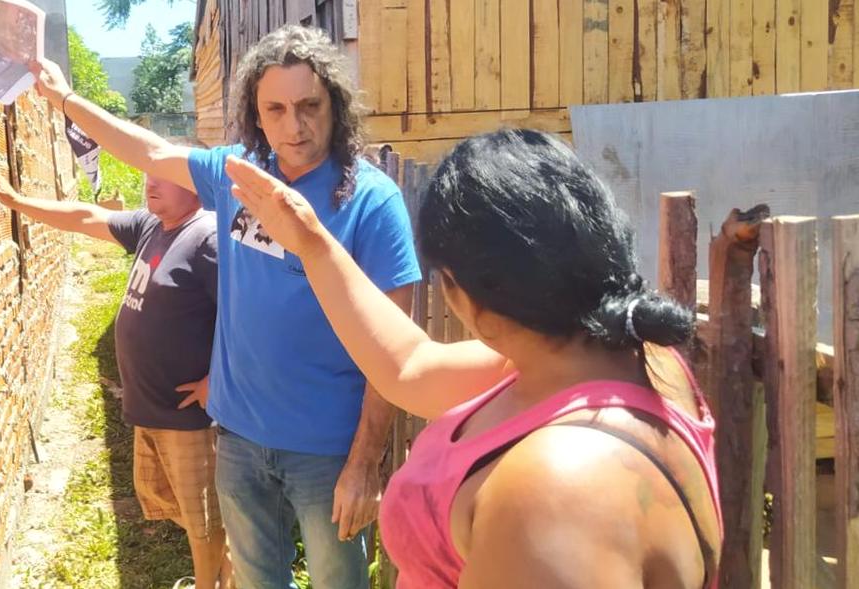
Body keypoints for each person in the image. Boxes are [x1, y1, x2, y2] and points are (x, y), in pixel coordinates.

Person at [223, 129, 723, 588]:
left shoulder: (552, 495)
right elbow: (409, 368)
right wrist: (311, 244)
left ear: (462, 295)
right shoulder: (619, 356)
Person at [26, 24, 421, 588]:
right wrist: (65, 99)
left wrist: (364, 462)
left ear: (334, 105)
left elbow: (395, 351)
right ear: (256, 115)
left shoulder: (371, 201)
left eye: (310, 106)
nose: (295, 125)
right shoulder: (239, 176)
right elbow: (153, 150)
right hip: (238, 440)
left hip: (327, 451)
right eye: (276, 109)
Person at [0, 165, 231, 589]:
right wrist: (17, 202)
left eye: (164, 176)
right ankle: (227, 576)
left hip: (189, 416)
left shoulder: (205, 238)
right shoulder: (154, 226)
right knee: (183, 511)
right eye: (150, 174)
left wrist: (217, 381)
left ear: (196, 186)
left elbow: (242, 316)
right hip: (152, 408)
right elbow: (84, 217)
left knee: (205, 522)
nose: (150, 183)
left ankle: (213, 583)